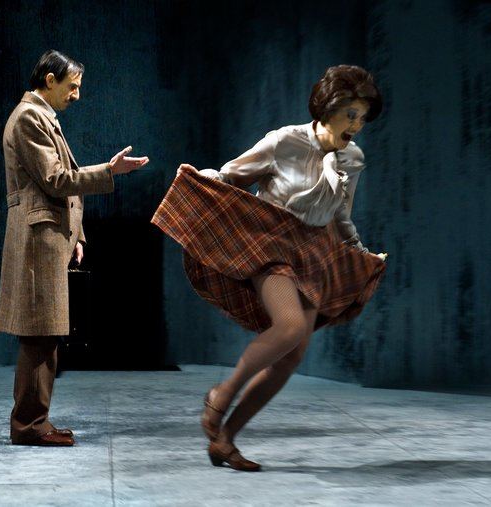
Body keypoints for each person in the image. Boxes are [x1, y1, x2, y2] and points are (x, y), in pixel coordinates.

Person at [152, 64, 387, 471]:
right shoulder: (284, 141)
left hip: (314, 252)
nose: (356, 125)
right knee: (290, 326)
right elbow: (231, 175)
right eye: (351, 114)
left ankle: (225, 440)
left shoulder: (352, 158)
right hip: (271, 242)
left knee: (291, 358)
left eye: (362, 118)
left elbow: (340, 213)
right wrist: (200, 181)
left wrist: (358, 251)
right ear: (328, 108)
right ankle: (222, 394)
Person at [0, 50, 149, 446]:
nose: (77, 95)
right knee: (39, 334)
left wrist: (77, 236)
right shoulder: (29, 117)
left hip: (49, 238)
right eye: (72, 86)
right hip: (38, 240)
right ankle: (29, 426)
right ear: (50, 80)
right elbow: (56, 180)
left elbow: (57, 186)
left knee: (46, 334)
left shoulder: (42, 117)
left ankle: (36, 422)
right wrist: (109, 171)